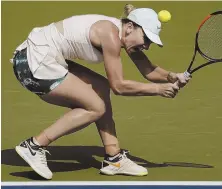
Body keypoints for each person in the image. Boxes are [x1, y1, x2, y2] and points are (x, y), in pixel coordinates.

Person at [11, 4, 190, 179]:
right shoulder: (110, 35)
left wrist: (172, 76)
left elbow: (148, 70)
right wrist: (159, 89)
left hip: (45, 57)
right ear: (129, 27)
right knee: (96, 107)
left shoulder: (123, 34)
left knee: (100, 86)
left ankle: (114, 159)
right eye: (147, 39)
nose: (147, 46)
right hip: (32, 63)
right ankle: (34, 146)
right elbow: (119, 86)